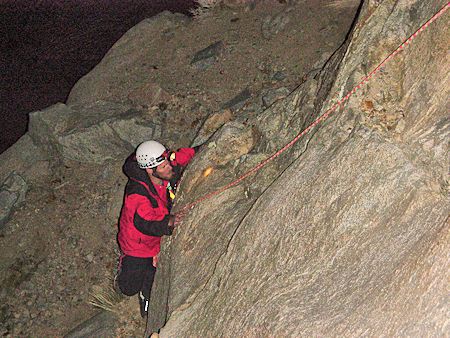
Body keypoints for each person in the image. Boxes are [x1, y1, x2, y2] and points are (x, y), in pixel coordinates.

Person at [116, 140, 199, 318]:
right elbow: (146, 222)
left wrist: (202, 149)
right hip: (136, 246)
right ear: (150, 170)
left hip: (153, 241)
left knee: (152, 277)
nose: (169, 167)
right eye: (163, 166)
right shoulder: (137, 194)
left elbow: (179, 157)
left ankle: (147, 295)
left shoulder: (160, 164)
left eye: (167, 162)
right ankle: (124, 267)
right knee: (128, 288)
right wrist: (170, 222)